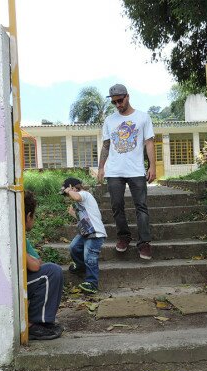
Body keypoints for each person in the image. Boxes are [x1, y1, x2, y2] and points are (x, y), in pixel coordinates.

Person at [98, 83, 156, 260]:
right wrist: (101, 167)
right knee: (116, 206)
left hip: (136, 170)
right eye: (114, 102)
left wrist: (152, 166)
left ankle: (144, 243)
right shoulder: (109, 120)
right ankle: (123, 237)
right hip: (114, 171)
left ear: (127, 97)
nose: (117, 105)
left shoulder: (143, 117)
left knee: (141, 207)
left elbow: (149, 143)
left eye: (120, 101)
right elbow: (106, 145)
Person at [24, 190, 64, 340]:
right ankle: (34, 325)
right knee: (51, 272)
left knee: (50, 270)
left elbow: (37, 260)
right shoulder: (16, 237)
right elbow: (35, 266)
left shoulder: (23, 238)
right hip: (9, 287)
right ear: (28, 216)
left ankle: (44, 321)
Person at [61, 177, 107, 294]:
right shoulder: (80, 201)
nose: (68, 197)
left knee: (90, 257)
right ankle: (81, 266)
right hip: (86, 231)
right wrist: (74, 215)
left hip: (95, 232)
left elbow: (76, 196)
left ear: (72, 187)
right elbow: (84, 220)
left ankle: (92, 283)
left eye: (67, 193)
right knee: (74, 247)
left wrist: (68, 190)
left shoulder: (84, 194)